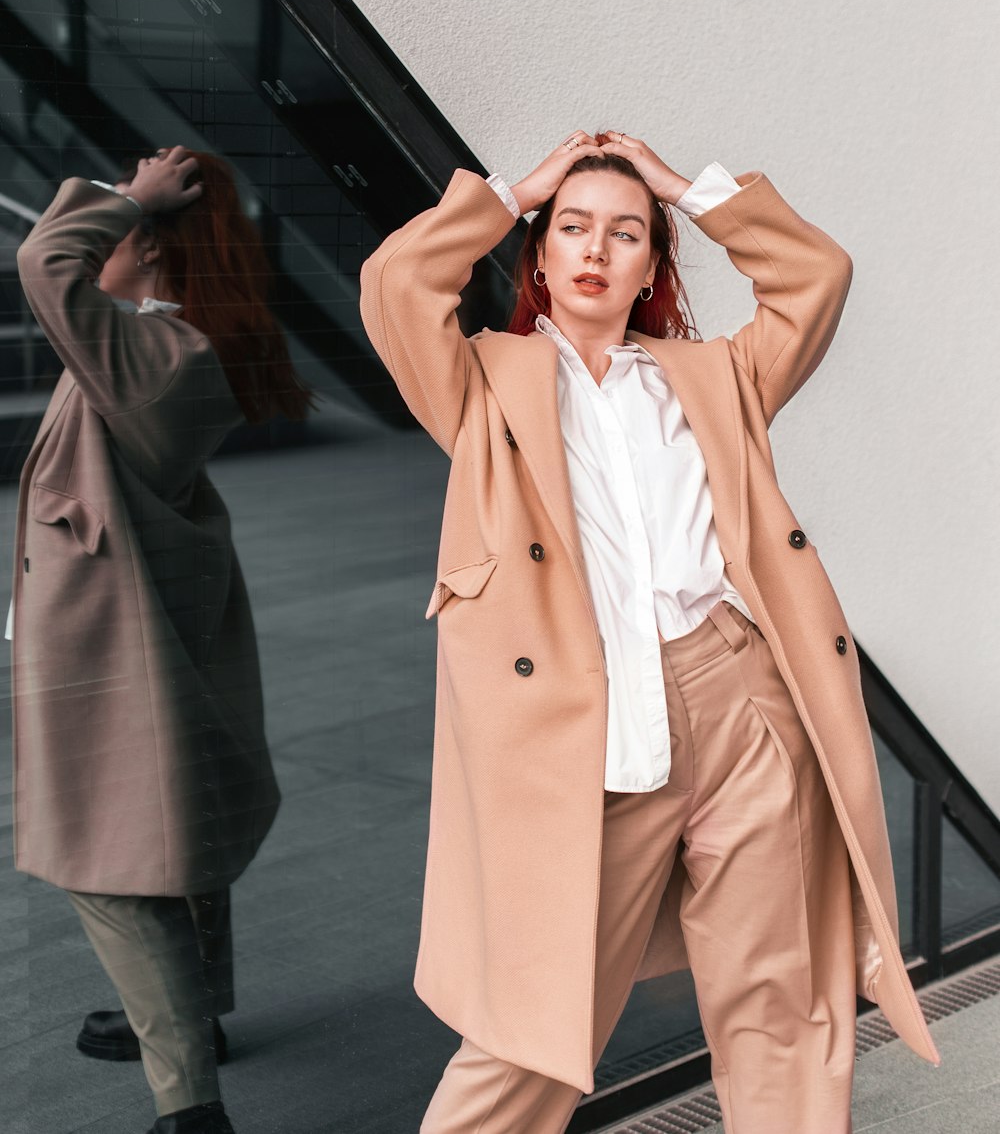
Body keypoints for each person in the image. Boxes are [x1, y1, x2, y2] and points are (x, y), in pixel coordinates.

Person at [359, 131, 940, 1134]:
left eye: (624, 235)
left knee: (782, 1005)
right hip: (588, 726)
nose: (594, 250)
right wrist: (516, 193)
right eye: (572, 230)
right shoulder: (482, 383)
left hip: (740, 702)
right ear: (538, 258)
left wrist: (681, 188)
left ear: (651, 267)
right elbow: (397, 284)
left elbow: (814, 278)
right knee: (533, 1028)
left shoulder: (710, 378)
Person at [10, 147, 311, 1134]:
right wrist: (136, 205)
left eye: (125, 220)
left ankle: (187, 1102)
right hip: (148, 611)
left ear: (139, 245)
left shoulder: (148, 354)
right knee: (174, 823)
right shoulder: (178, 343)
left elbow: (44, 260)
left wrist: (129, 197)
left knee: (109, 858)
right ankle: (195, 1016)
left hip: (102, 638)